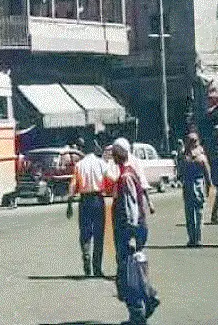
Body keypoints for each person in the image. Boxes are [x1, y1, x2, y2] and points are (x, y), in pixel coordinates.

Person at [110, 138, 156, 324]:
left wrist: (130, 233)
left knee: (128, 275)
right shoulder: (126, 173)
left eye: (114, 152)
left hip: (129, 231)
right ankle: (147, 301)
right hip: (131, 230)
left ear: (120, 154)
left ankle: (139, 312)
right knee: (134, 271)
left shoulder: (126, 177)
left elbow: (132, 207)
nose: (112, 155)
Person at [67, 139, 112, 277]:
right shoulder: (101, 164)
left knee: (85, 232)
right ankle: (97, 268)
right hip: (98, 200)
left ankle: (86, 258)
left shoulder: (79, 165)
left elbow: (73, 185)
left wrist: (69, 203)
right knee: (99, 235)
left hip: (84, 201)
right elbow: (109, 179)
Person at [181, 133, 212, 247]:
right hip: (190, 185)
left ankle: (197, 238)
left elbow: (207, 172)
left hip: (197, 185)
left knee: (198, 213)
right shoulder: (188, 155)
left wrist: (208, 185)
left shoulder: (199, 155)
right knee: (191, 214)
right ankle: (193, 238)